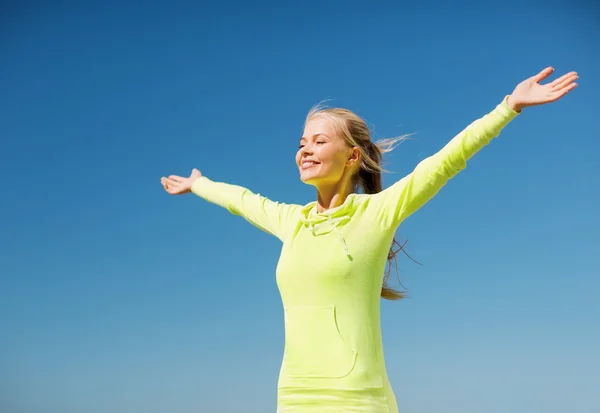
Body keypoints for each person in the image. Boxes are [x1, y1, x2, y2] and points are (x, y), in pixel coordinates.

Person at [160, 67, 578, 413]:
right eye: (301, 143)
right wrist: (200, 185)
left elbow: (446, 162)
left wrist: (508, 108)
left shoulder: (377, 214)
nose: (305, 150)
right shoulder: (291, 221)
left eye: (319, 141)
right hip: (292, 396)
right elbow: (243, 201)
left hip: (358, 399)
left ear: (353, 156)